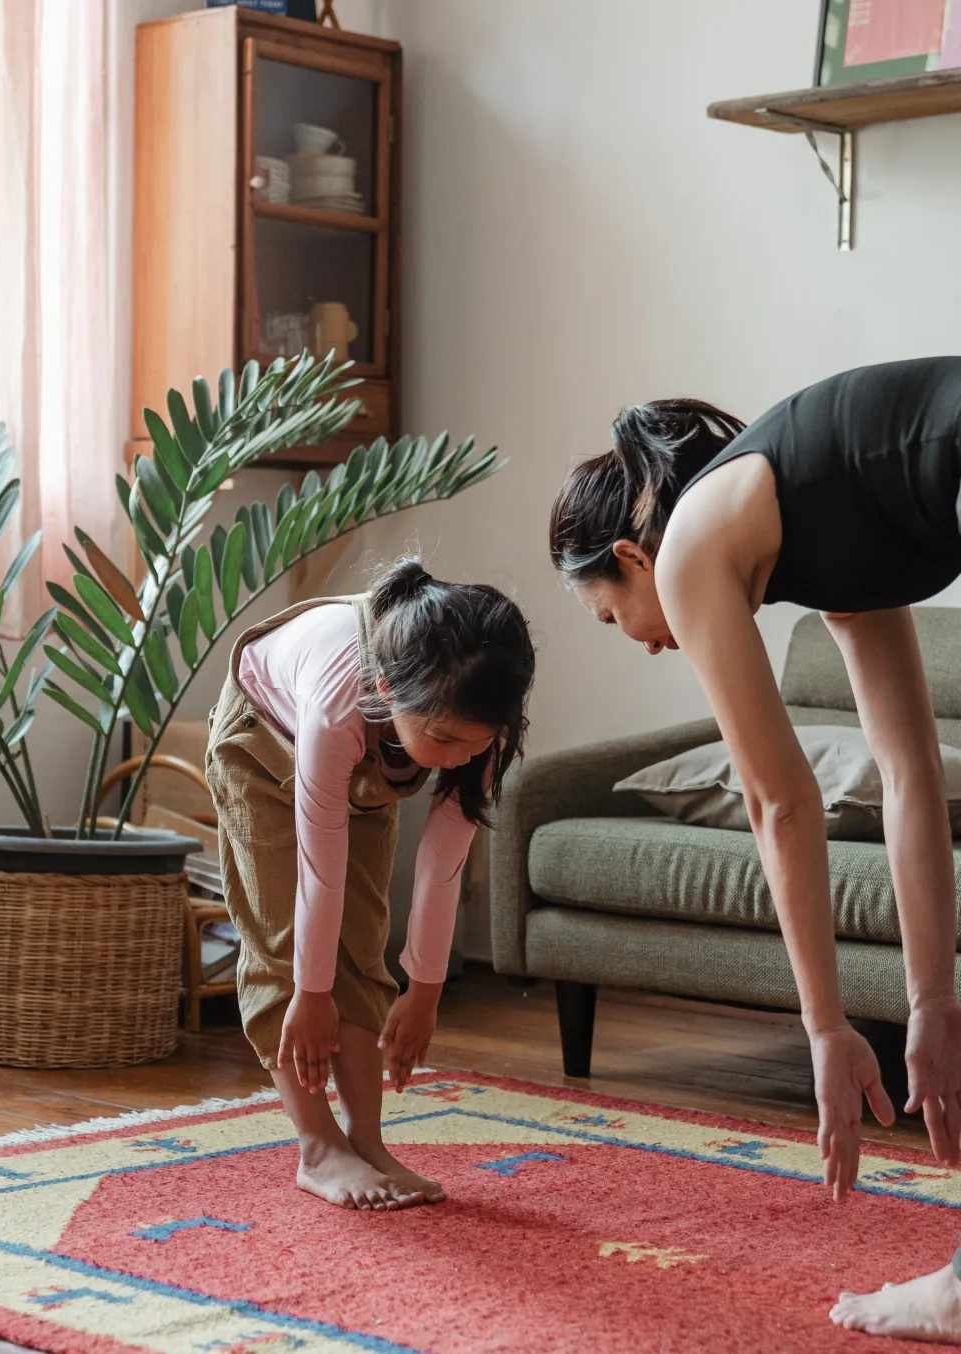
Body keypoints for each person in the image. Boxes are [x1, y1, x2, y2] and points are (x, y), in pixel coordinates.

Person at [548, 356, 961, 1343]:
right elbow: (908, 779)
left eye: (613, 618)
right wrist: (930, 1001)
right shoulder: (840, 555)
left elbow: (781, 805)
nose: (645, 642)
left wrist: (824, 1027)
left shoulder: (689, 543)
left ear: (630, 556)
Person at [206, 558, 535, 1213]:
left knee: (361, 942)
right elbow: (318, 871)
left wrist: (425, 992)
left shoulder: (480, 723)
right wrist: (310, 992)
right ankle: (319, 1148)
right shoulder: (338, 700)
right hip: (263, 745)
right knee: (285, 939)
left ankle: (366, 1139)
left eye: (477, 743)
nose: (461, 757)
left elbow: (442, 866)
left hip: (365, 763)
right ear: (387, 687)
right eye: (444, 738)